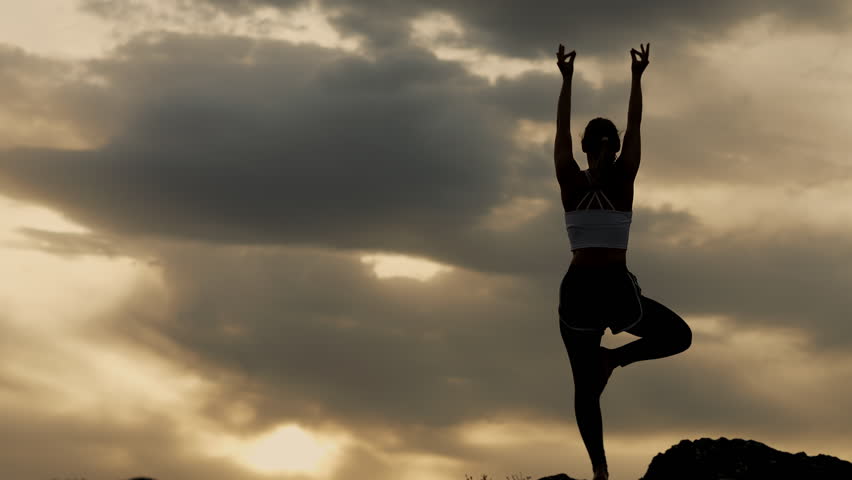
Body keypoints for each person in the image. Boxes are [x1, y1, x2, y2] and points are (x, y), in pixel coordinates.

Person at [553, 42, 692, 480]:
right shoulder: (584, 178)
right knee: (587, 388)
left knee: (675, 338)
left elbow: (631, 127)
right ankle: (600, 469)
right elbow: (569, 132)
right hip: (591, 291)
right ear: (596, 146)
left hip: (602, 287)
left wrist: (631, 78)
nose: (607, 150)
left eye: (608, 145)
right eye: (603, 144)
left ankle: (612, 364)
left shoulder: (609, 178)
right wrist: (573, 80)